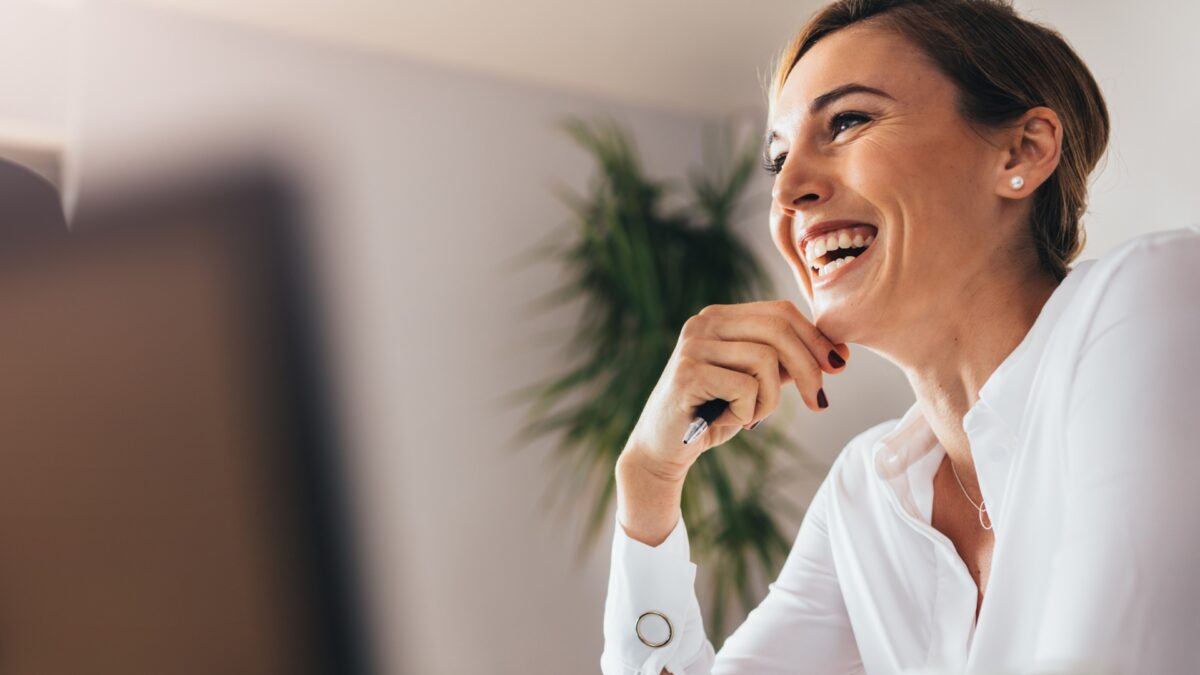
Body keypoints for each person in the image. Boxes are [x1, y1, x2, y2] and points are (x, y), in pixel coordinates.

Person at [600, 0, 1200, 673]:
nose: (790, 189)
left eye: (849, 121)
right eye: (778, 160)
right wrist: (647, 480)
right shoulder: (866, 492)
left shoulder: (1156, 294)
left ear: (1021, 151)